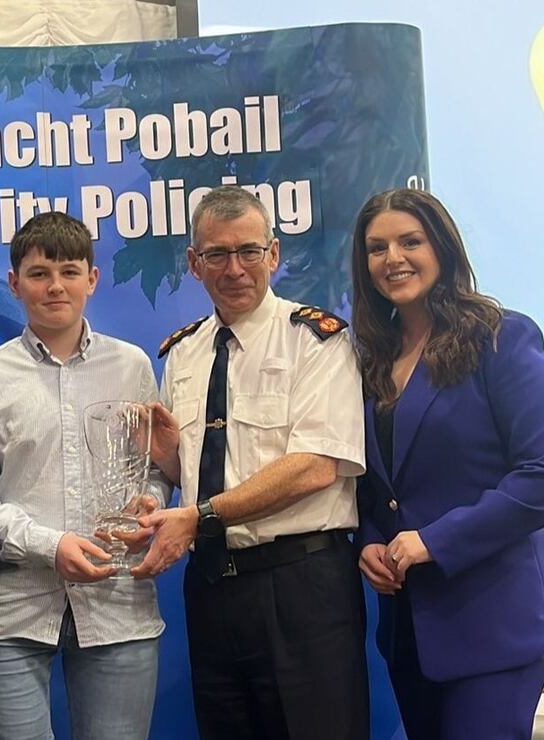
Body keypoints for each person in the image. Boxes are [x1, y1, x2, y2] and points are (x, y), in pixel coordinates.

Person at [136, 185, 369, 739]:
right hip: (214, 589)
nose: (234, 268)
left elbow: (316, 465)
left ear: (274, 254)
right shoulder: (182, 353)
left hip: (303, 585)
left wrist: (200, 517)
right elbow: (189, 475)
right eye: (216, 254)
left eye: (248, 251)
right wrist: (163, 469)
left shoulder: (317, 341)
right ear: (195, 263)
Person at [0, 211, 169, 740]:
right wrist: (50, 546)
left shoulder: (134, 366)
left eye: (70, 271)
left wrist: (149, 500)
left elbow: (154, 469)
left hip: (118, 600)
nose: (56, 286)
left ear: (92, 280)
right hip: (14, 608)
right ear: (15, 283)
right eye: (39, 273)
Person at [350, 188, 544, 739]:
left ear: (442, 247)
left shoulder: (502, 337)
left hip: (494, 621)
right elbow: (376, 486)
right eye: (377, 247)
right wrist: (369, 539)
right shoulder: (370, 359)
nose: (393, 258)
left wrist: (435, 541)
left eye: (409, 241)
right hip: (409, 630)